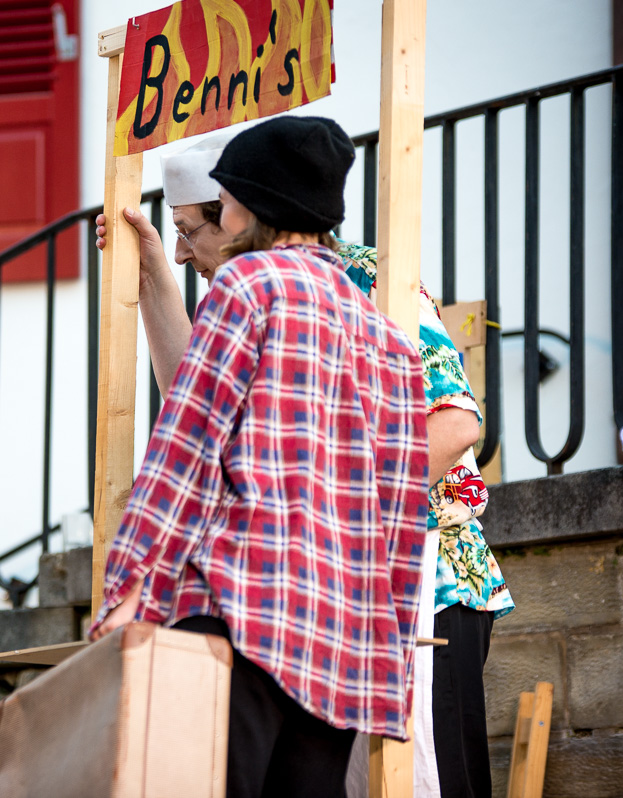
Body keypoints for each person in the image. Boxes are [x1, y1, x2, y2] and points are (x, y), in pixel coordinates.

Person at [96, 128, 513, 797]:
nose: (199, 238)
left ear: (250, 207)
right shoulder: (379, 330)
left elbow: (189, 443)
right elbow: (391, 493)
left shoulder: (256, 285)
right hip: (350, 620)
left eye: (221, 207)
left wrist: (132, 586)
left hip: (262, 598)